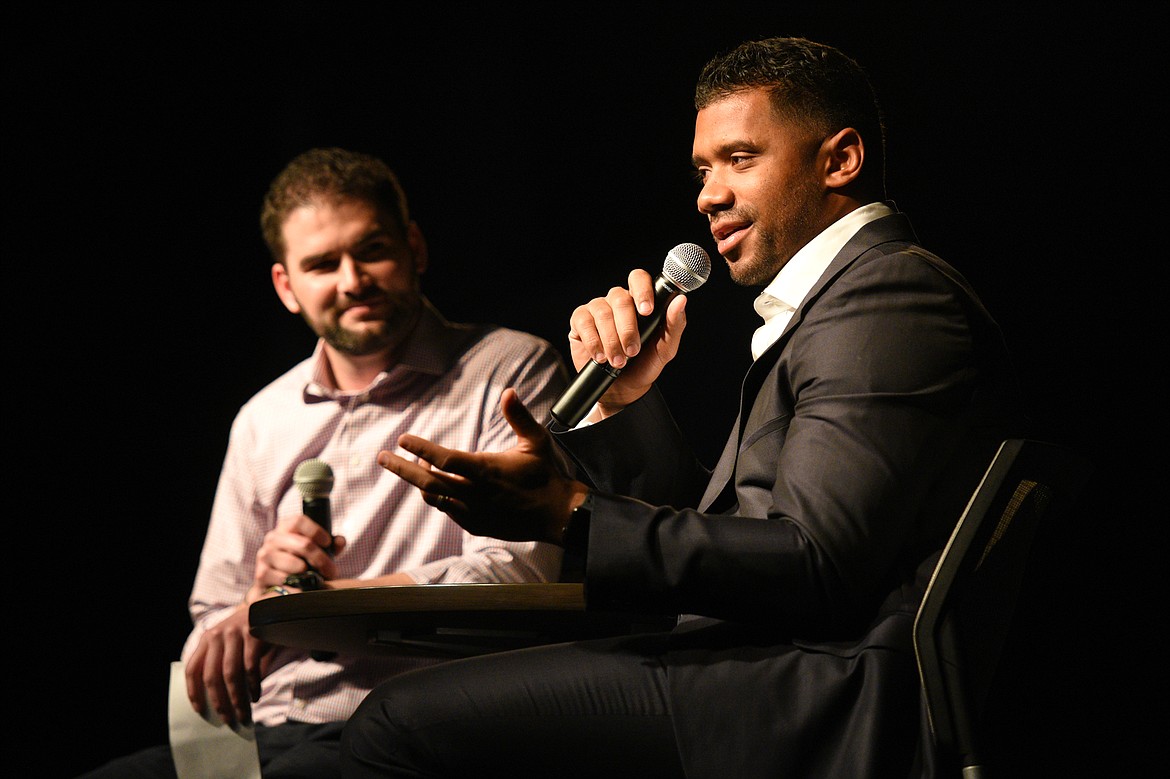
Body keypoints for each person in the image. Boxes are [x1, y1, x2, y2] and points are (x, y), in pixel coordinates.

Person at [340, 36, 1028, 779]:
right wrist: (629, 400)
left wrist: (571, 514)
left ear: (840, 160)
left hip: (802, 696)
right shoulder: (840, 307)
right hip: (754, 667)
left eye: (740, 159)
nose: (707, 195)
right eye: (703, 169)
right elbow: (734, 541)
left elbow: (815, 564)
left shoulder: (889, 297)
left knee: (391, 724)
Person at [77, 147, 569, 778]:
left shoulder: (508, 369)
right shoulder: (263, 419)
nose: (351, 281)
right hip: (265, 731)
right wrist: (259, 598)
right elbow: (210, 627)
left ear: (414, 247)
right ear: (287, 286)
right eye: (321, 264)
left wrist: (310, 606)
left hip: (419, 720)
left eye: (371, 251)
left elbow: (526, 570)